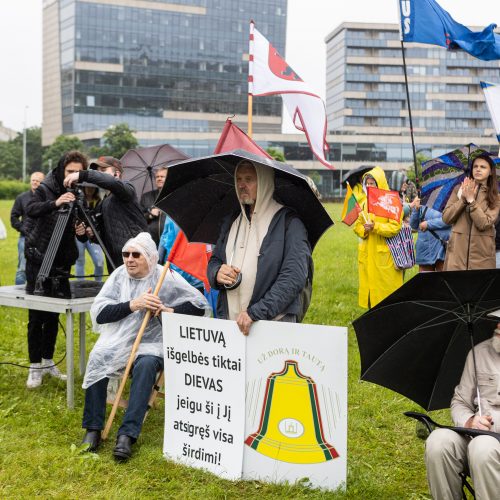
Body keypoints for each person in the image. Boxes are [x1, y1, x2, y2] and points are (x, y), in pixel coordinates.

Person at [80, 232, 208, 460]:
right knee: (98, 355)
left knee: (146, 365)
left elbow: (199, 306)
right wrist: (133, 304)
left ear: (149, 257)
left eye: (136, 255)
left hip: (153, 343)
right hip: (119, 340)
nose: (129, 259)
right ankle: (93, 428)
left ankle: (127, 435)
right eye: (126, 254)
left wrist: (168, 311)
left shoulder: (164, 276)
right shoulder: (119, 276)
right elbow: (100, 313)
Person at [207, 160, 311, 335]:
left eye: (249, 179)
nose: (241, 185)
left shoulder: (289, 223)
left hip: (273, 325)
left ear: (264, 182)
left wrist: (256, 312)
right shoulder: (232, 220)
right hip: (232, 323)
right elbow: (215, 260)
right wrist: (217, 273)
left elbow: (294, 276)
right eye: (238, 179)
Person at [24, 151, 88, 388]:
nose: (73, 175)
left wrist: (82, 232)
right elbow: (31, 209)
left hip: (61, 263)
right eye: (70, 171)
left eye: (77, 172)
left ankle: (48, 361)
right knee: (36, 316)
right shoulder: (45, 188)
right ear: (62, 169)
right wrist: (56, 203)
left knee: (53, 315)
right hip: (39, 259)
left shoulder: (79, 192)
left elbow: (78, 231)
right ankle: (34, 366)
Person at [424, 315, 500, 499]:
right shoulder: (479, 353)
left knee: (482, 446)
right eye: (498, 321)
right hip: (476, 438)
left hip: (486, 447)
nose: (498, 326)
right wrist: (470, 420)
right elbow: (460, 402)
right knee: (438, 441)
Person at [63, 156, 147, 273]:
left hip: (135, 256)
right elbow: (99, 237)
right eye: (97, 171)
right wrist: (85, 233)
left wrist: (82, 175)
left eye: (103, 171)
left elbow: (111, 182)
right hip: (114, 260)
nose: (98, 174)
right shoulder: (103, 203)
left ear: (116, 174)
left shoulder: (127, 189)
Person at [352, 167, 403, 308]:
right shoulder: (363, 203)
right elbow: (357, 226)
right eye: (367, 183)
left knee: (387, 298)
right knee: (370, 298)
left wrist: (376, 227)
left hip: (385, 258)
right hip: (368, 256)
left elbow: (395, 227)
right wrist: (365, 230)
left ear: (379, 183)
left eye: (372, 183)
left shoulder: (392, 202)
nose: (369, 186)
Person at [442, 154, 500, 270]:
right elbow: (446, 218)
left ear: (490, 172)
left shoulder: (495, 197)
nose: (478, 169)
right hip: (457, 258)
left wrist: (471, 201)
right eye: (475, 166)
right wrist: (463, 199)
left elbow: (484, 223)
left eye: (483, 167)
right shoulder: (459, 189)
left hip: (482, 259)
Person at [10, 171, 45, 285]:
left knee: (42, 268)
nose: (34, 182)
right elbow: (13, 217)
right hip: (25, 238)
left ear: (43, 182)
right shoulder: (22, 198)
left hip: (42, 239)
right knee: (22, 268)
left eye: (38, 180)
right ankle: (19, 297)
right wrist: (22, 228)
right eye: (33, 180)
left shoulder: (46, 198)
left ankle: (38, 293)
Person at [409, 196, 451, 272]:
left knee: (443, 281)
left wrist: (428, 224)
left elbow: (449, 220)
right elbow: (413, 225)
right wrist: (416, 209)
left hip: (441, 247)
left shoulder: (449, 197)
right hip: (425, 248)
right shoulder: (425, 197)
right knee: (426, 282)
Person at [75, 185, 104, 281]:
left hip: (94, 234)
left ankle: (98, 283)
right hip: (80, 234)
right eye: (87, 187)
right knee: (80, 260)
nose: (90, 189)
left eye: (92, 187)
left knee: (99, 261)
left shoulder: (99, 202)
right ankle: (80, 284)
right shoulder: (78, 201)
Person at [140, 167, 168, 246]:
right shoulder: (146, 197)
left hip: (170, 240)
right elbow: (139, 218)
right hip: (152, 241)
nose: (159, 179)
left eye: (162, 177)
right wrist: (150, 215)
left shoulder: (174, 196)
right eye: (157, 177)